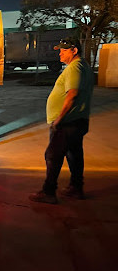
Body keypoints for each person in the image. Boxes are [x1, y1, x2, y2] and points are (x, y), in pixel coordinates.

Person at [29, 38, 94, 204]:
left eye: (64, 50)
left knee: (52, 155)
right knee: (74, 155)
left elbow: (72, 94)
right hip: (77, 120)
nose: (60, 53)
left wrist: (59, 119)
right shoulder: (84, 66)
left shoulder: (75, 67)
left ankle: (49, 192)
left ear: (74, 51)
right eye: (60, 50)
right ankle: (76, 187)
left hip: (67, 122)